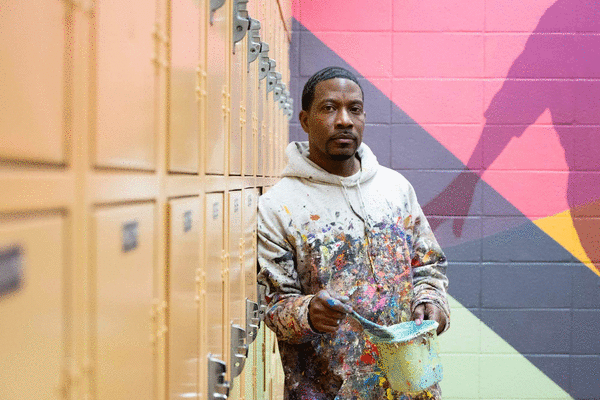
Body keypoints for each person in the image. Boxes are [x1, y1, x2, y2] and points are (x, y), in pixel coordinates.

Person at [257, 66, 450, 400]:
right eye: (329, 108)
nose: (344, 120)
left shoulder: (395, 190)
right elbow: (273, 306)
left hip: (411, 388)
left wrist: (431, 304)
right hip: (328, 390)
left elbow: (429, 267)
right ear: (305, 121)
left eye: (354, 109)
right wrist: (308, 313)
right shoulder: (279, 206)